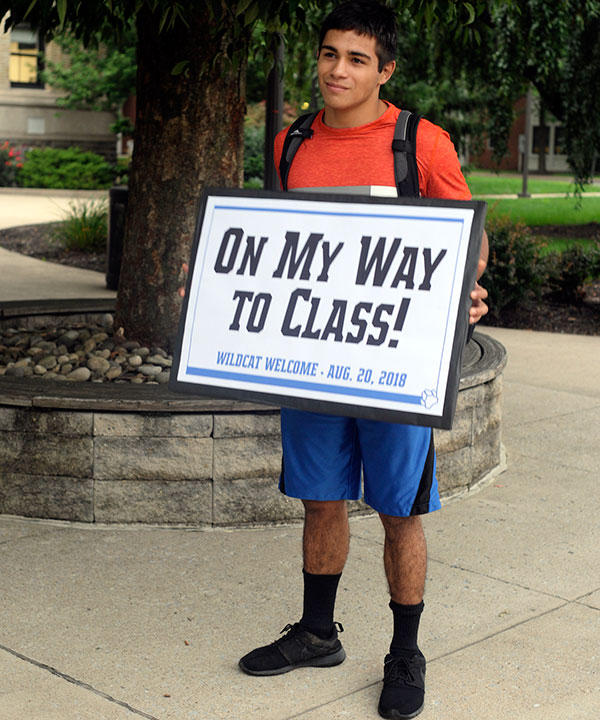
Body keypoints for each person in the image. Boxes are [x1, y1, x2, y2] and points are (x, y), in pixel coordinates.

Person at [236, 3, 489, 718]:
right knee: (320, 498)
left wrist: (467, 284)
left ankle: (405, 651)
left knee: (398, 509)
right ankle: (318, 632)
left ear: (385, 70)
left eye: (355, 58)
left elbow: (467, 233)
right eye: (328, 55)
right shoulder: (293, 143)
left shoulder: (419, 141)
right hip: (311, 360)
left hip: (395, 364)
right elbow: (279, 244)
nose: (337, 70)